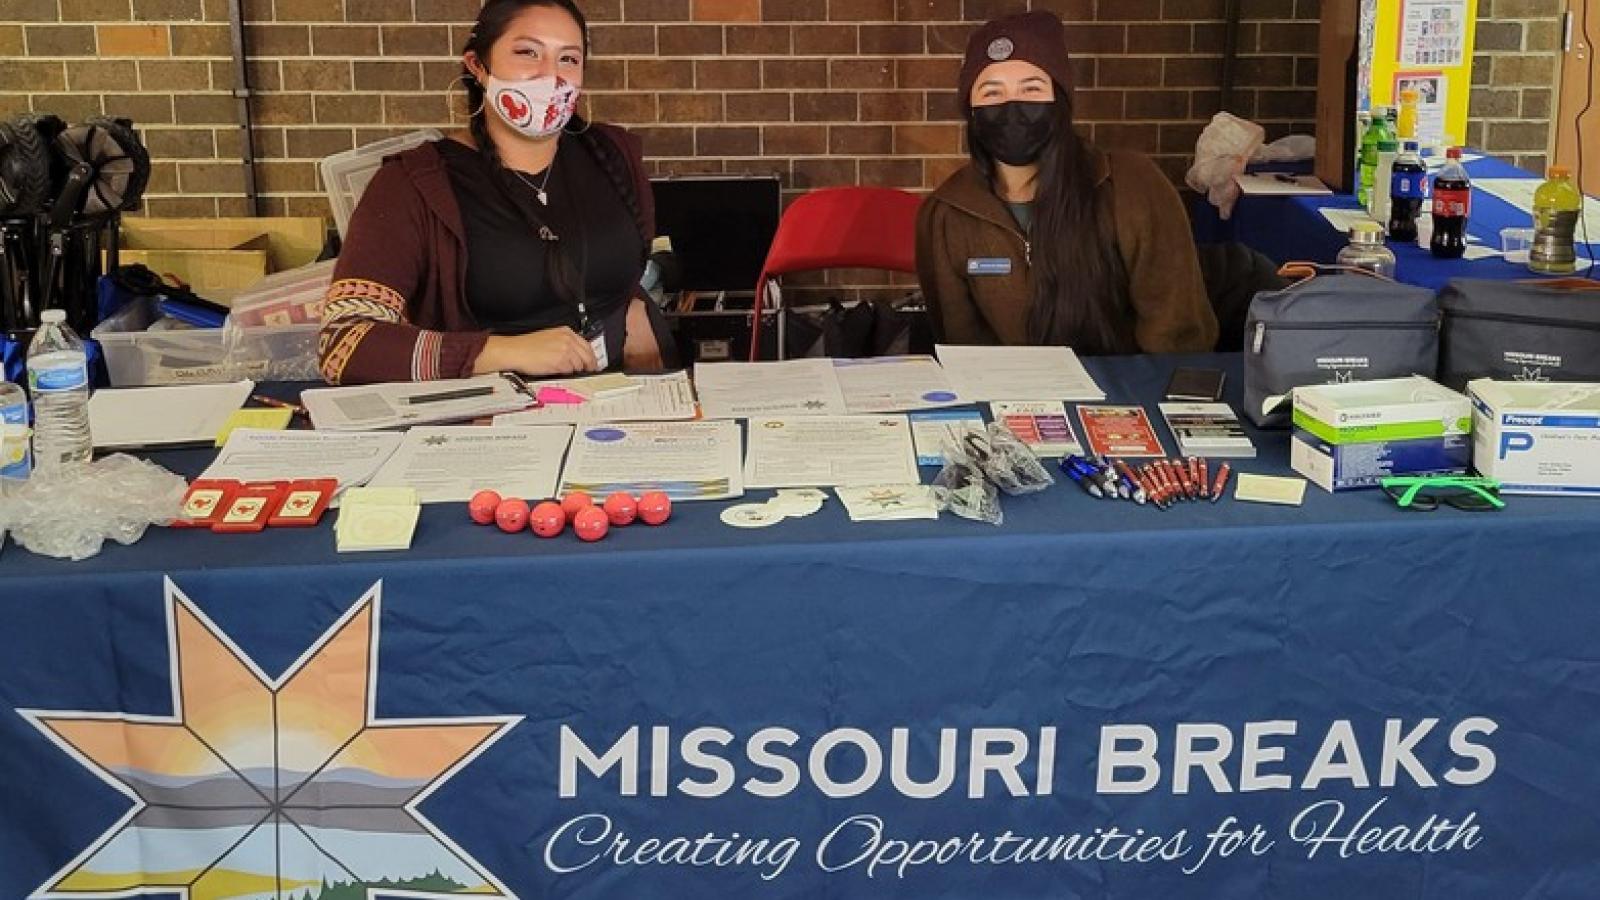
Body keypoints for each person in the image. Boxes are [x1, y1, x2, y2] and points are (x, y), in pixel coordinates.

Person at [318, 0, 664, 385]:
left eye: (568, 59)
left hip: (621, 399)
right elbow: (343, 345)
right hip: (494, 420)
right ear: (477, 66)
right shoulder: (413, 185)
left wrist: (633, 308)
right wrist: (499, 351)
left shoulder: (612, 155)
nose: (549, 76)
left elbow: (624, 266)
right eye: (527, 53)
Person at [916, 11, 1218, 355]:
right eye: (991, 91)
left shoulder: (1132, 186)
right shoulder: (946, 215)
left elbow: (1175, 330)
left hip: (1126, 396)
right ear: (970, 109)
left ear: (1060, 100)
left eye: (1031, 88)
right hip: (1016, 399)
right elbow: (962, 347)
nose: (1012, 105)